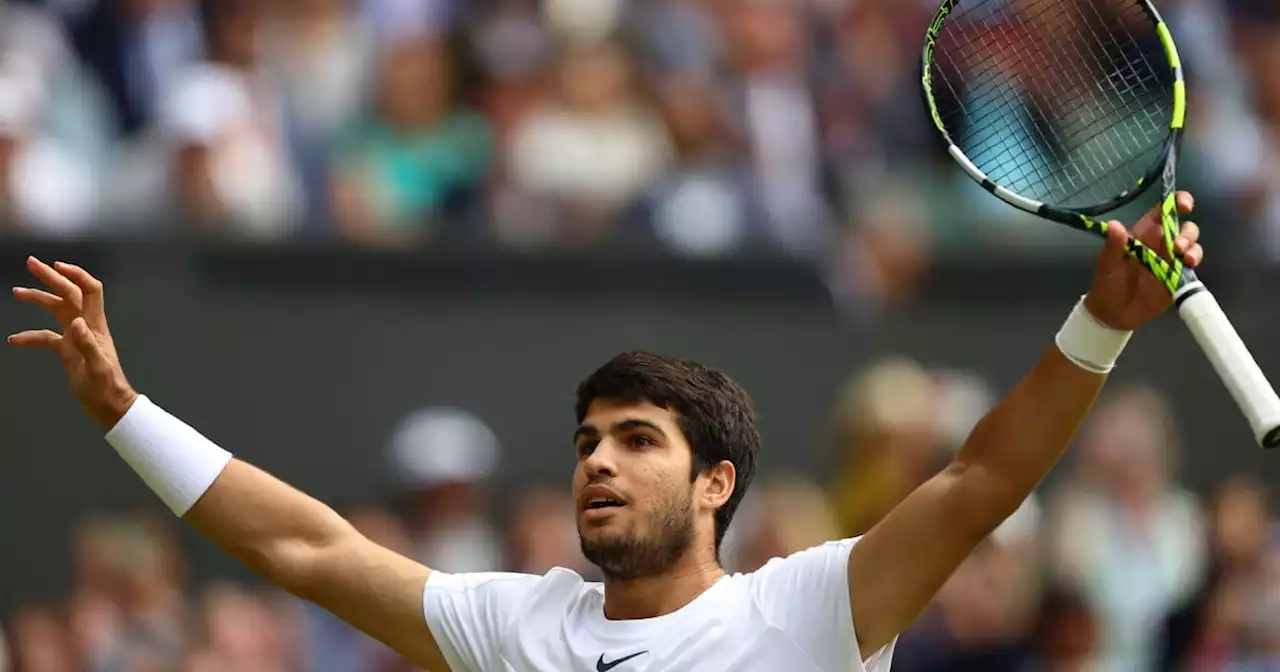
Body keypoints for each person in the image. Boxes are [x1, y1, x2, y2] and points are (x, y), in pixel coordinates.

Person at [6, 193, 1205, 670]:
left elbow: (984, 475)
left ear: (714, 483)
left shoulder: (805, 614)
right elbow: (305, 550)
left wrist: (1098, 321)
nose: (596, 461)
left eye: (636, 440)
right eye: (587, 439)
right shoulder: (517, 623)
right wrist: (125, 411)